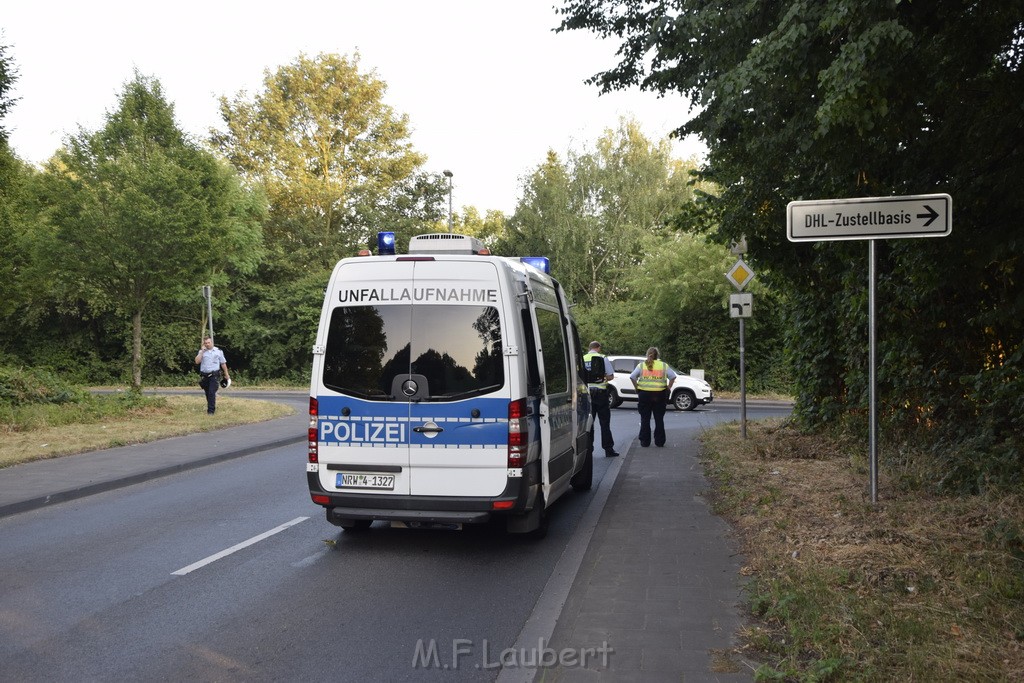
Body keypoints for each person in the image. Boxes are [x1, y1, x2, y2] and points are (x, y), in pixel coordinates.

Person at [630, 346, 676, 448]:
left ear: (647, 355)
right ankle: (660, 442)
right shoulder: (663, 365)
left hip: (644, 395)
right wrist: (669, 387)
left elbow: (632, 376)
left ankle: (645, 442)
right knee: (659, 419)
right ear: (657, 355)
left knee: (645, 419)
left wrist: (636, 387)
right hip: (659, 394)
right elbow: (672, 376)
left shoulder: (641, 365)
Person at [583, 341, 620, 457]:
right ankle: (608, 449)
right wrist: (601, 377)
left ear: (589, 348)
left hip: (587, 394)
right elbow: (610, 376)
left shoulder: (583, 358)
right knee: (604, 423)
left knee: (589, 424)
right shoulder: (603, 358)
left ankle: (588, 449)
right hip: (601, 395)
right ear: (598, 348)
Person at [195, 336, 230, 415]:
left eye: (208, 342)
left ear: (212, 342)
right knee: (207, 393)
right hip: (205, 376)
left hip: (214, 375)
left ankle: (211, 411)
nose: (207, 344)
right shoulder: (201, 352)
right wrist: (201, 352)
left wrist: (226, 374)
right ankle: (210, 406)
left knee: (211, 392)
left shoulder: (218, 351)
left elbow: (223, 363)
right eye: (205, 343)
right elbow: (197, 361)